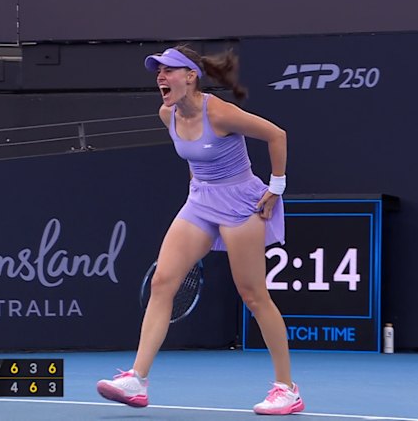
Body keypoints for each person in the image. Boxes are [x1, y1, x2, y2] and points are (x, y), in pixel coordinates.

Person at [96, 45, 304, 416]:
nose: (161, 77)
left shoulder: (220, 113)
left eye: (169, 70)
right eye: (158, 71)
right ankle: (137, 379)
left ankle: (287, 389)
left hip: (240, 203)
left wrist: (276, 188)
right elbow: (196, 158)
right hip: (200, 202)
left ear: (191, 76)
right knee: (162, 282)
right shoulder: (167, 114)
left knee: (254, 295)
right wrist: (198, 187)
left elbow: (277, 135)